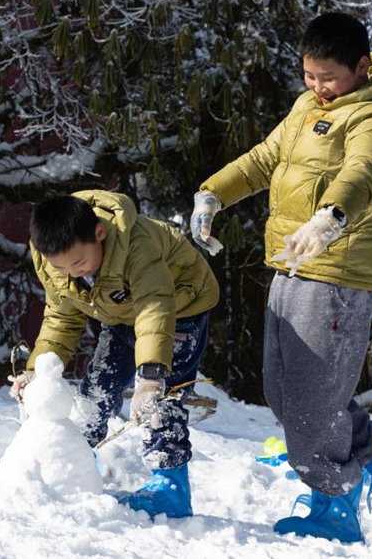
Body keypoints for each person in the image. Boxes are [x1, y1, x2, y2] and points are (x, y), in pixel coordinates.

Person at [191, 12, 372, 547]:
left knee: (309, 400)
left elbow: (364, 173)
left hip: (336, 270)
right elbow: (265, 159)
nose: (317, 87)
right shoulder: (308, 107)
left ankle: (335, 502)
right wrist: (214, 193)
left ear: (361, 67)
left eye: (328, 77)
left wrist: (331, 217)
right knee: (286, 392)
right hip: (292, 261)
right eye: (309, 75)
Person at [14, 189, 219, 518]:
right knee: (97, 387)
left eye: (79, 263)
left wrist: (151, 377)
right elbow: (61, 318)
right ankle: (76, 464)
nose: (72, 273)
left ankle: (171, 487)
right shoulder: (54, 261)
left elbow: (155, 307)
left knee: (161, 399)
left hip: (179, 308)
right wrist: (37, 373)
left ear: (99, 233)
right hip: (121, 313)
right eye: (61, 267)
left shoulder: (137, 244)